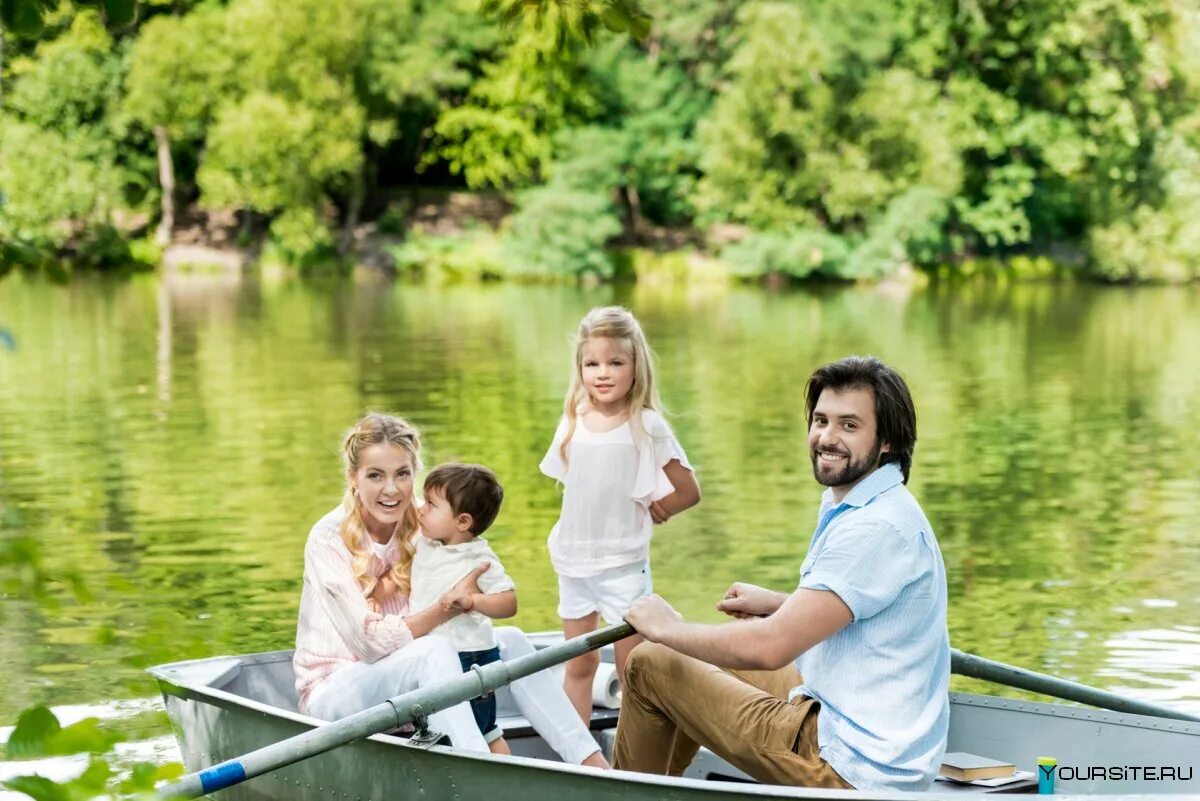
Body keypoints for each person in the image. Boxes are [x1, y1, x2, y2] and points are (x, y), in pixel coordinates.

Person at [615, 356, 950, 792]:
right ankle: (663, 784)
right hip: (860, 728)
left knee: (651, 662)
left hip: (850, 767)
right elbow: (858, 609)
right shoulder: (864, 501)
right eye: (821, 420)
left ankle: (616, 794)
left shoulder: (875, 528)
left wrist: (665, 628)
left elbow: (770, 648)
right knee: (695, 654)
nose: (827, 438)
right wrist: (781, 604)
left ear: (886, 440)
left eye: (849, 426)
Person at [294, 413, 607, 767]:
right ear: (353, 478)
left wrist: (475, 599)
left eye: (402, 473)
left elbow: (471, 552)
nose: (392, 490)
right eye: (375, 475)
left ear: (415, 472)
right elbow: (370, 645)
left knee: (514, 642)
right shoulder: (328, 538)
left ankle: (592, 764)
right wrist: (448, 607)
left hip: (410, 673)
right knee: (436, 649)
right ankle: (479, 769)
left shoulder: (424, 523)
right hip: (336, 689)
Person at [539, 306, 702, 722]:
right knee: (580, 665)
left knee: (634, 674)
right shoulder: (573, 419)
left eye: (615, 362)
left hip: (623, 568)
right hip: (573, 563)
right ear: (580, 367)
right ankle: (578, 760)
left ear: (636, 366)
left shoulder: (646, 425)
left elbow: (688, 490)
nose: (603, 372)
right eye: (592, 363)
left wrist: (659, 508)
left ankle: (629, 767)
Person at [387, 462, 515, 755]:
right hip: (433, 660)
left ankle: (506, 782)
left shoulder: (479, 558)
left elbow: (509, 602)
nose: (421, 509)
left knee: (485, 731)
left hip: (472, 658)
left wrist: (473, 601)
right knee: (445, 731)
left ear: (463, 522)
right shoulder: (427, 543)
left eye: (431, 504)